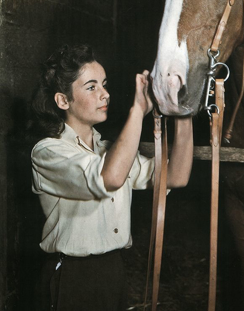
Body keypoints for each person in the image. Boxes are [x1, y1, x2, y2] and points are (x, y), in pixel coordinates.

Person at [30, 44, 193, 311]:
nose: (105, 94)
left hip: (113, 271)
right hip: (72, 276)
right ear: (63, 100)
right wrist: (137, 111)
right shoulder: (49, 152)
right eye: (91, 87)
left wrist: (182, 110)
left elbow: (175, 176)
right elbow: (109, 178)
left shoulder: (109, 151)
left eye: (104, 85)